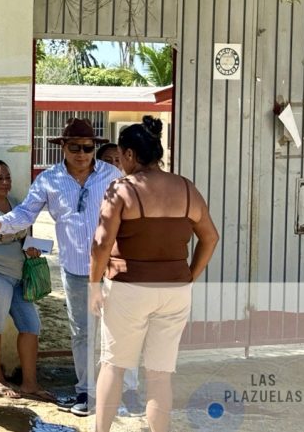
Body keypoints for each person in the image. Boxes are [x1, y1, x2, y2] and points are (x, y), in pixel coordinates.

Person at [0, 117, 125, 417]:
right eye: (74, 147)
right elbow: (25, 213)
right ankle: (87, 392)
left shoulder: (113, 175)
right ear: (63, 148)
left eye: (88, 147)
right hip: (77, 270)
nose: (81, 153)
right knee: (82, 332)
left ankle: (121, 391)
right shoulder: (49, 180)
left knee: (116, 330)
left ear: (94, 147)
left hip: (114, 267)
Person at [90, 117, 219, 432]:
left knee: (113, 365)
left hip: (127, 289)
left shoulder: (121, 189)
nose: (119, 165)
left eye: (120, 158)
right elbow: (211, 237)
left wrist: (94, 284)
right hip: (174, 291)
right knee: (160, 375)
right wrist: (190, 274)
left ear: (131, 155)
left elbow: (102, 243)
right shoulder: (187, 188)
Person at [0, 160, 53, 402]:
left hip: (19, 275)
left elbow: (26, 236)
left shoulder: (16, 204)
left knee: (31, 326)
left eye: (8, 177)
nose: (5, 182)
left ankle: (29, 383)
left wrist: (32, 249)